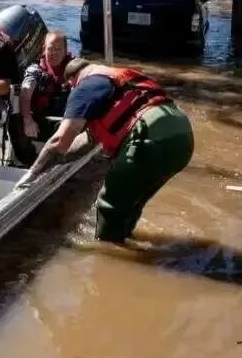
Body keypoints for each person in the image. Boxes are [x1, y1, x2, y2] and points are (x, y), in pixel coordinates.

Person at [19, 59, 194, 244]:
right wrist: (55, 160)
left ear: (72, 81)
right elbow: (86, 141)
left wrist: (32, 173)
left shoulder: (85, 87)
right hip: (183, 136)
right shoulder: (120, 78)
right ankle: (126, 239)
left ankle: (108, 251)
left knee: (109, 200)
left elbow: (59, 140)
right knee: (132, 201)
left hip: (150, 136)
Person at [10, 31, 72, 165]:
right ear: (44, 49)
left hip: (64, 122)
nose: (54, 53)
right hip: (39, 122)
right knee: (15, 122)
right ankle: (29, 161)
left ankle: (59, 163)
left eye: (58, 49)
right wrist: (27, 119)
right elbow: (25, 94)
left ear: (66, 51)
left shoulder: (74, 70)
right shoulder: (35, 70)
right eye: (50, 48)